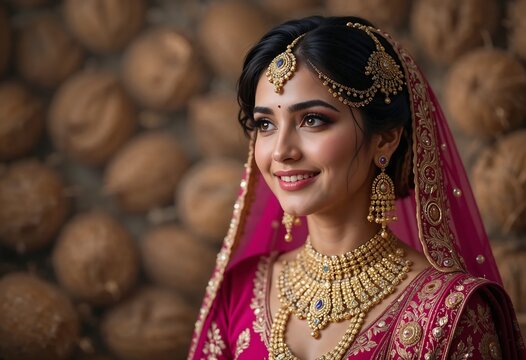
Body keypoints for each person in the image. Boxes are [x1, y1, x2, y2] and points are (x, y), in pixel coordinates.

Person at [187, 16, 525, 359]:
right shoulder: (240, 291)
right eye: (266, 124)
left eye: (313, 120)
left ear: (385, 139)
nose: (281, 151)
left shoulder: (447, 312)